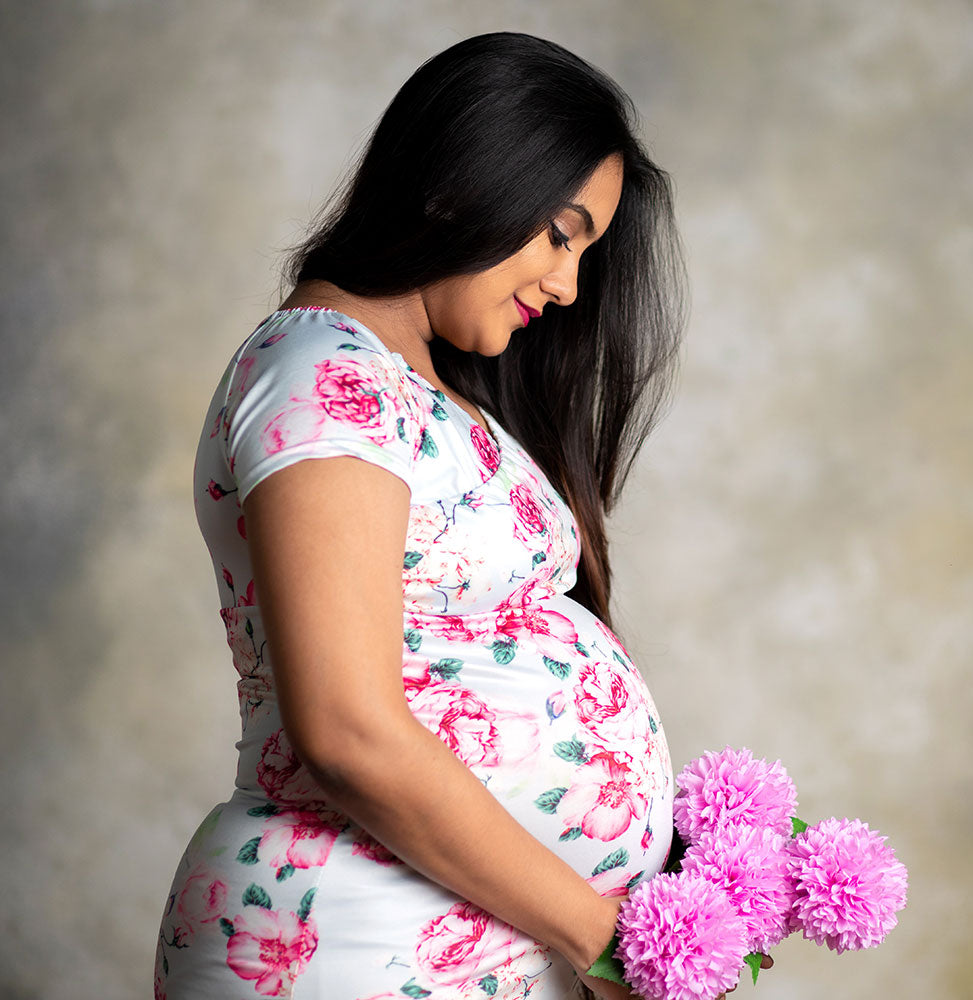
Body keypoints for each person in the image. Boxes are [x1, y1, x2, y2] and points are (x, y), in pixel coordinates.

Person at [155, 31, 688, 1000]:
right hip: (350, 941)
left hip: (463, 943)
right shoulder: (324, 370)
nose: (568, 286)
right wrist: (608, 945)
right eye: (561, 233)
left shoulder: (420, 388)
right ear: (460, 186)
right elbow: (349, 729)